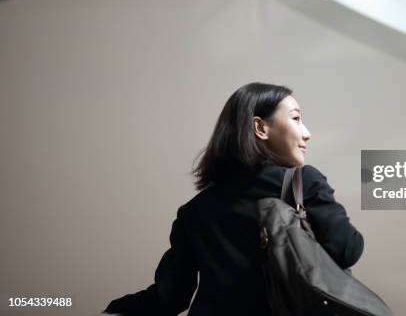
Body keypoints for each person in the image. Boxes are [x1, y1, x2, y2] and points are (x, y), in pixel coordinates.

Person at [103, 82, 364, 315]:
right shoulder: (303, 181)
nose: (306, 133)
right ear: (260, 128)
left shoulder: (194, 211)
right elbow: (346, 250)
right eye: (296, 119)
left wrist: (111, 309)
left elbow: (169, 298)